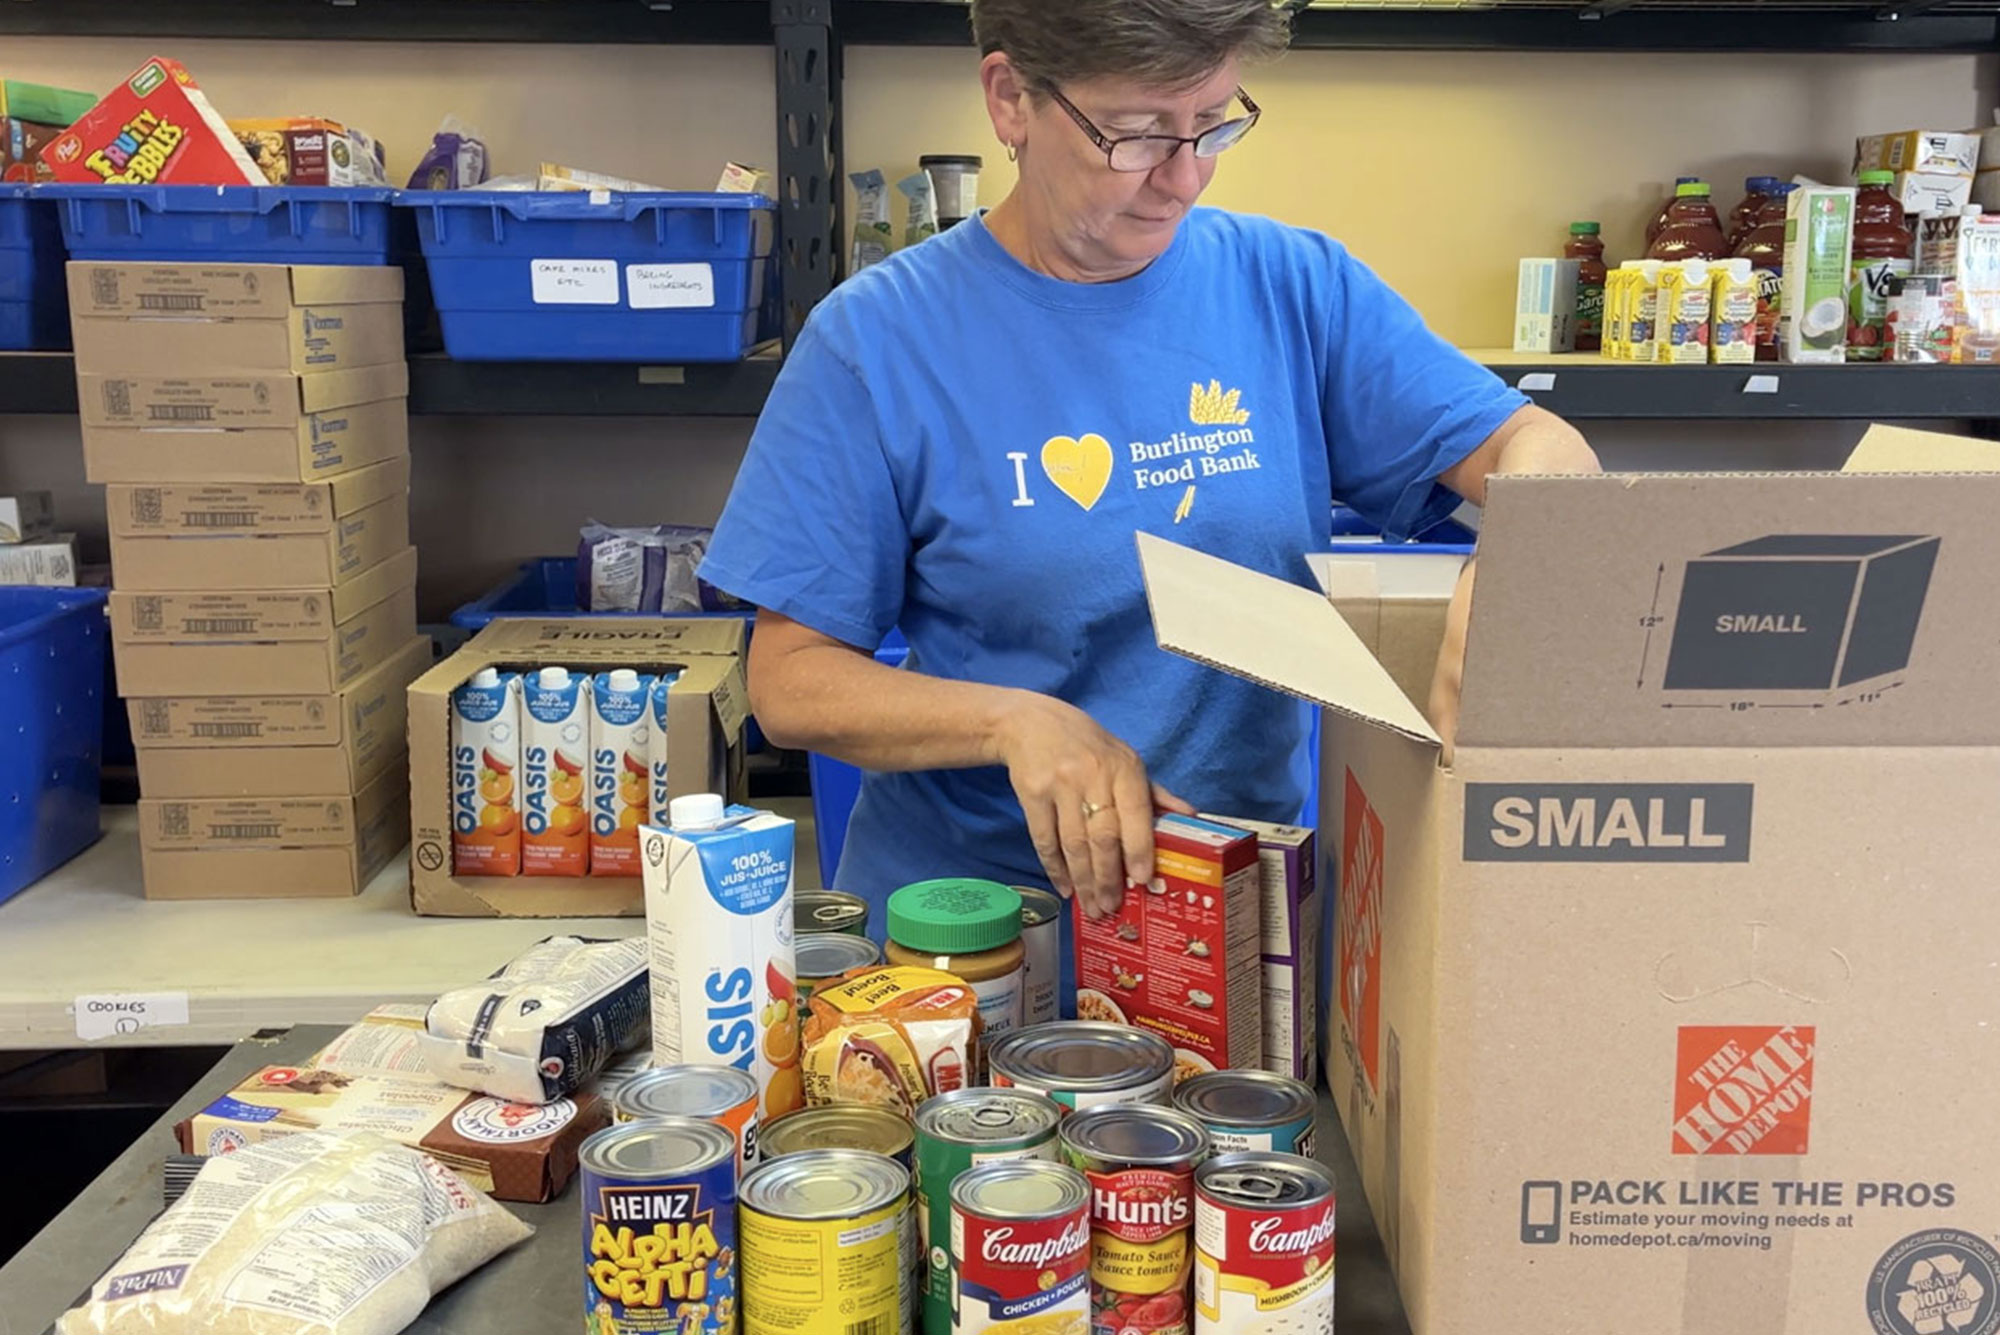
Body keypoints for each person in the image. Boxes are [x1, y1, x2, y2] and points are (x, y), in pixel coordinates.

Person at [701, 0, 1600, 946]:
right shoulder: (875, 341)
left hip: (1232, 922)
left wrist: (1516, 566)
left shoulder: (1291, 288)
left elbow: (1542, 446)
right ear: (1010, 99)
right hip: (975, 937)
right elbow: (790, 682)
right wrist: (1015, 723)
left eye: (1213, 123)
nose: (1184, 178)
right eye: (1135, 137)